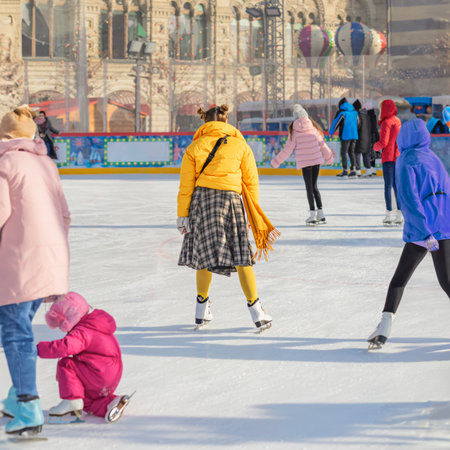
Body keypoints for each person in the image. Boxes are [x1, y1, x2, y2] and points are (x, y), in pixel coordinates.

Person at [0, 105, 70, 436]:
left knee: (15, 334)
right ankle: (16, 397)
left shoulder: (6, 164)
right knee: (20, 328)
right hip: (50, 259)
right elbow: (65, 215)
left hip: (18, 261)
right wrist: (51, 249)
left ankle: (28, 406)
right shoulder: (47, 165)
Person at [177, 104, 278, 331]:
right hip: (231, 202)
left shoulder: (194, 147)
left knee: (203, 253)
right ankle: (256, 310)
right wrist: (254, 215)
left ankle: (201, 309)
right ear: (226, 121)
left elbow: (186, 186)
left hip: (201, 202)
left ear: (205, 122)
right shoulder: (241, 145)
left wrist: (182, 214)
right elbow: (251, 183)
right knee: (241, 255)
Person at [368, 119, 450, 348]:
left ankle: (383, 329)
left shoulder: (405, 160)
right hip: (443, 228)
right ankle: (382, 330)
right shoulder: (434, 158)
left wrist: (424, 233)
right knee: (447, 282)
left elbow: (409, 200)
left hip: (424, 232)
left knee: (399, 281)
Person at [37, 292, 131, 423]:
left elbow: (64, 347)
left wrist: (36, 349)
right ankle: (111, 404)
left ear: (69, 318)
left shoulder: (82, 331)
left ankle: (71, 400)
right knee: (86, 401)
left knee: (66, 364)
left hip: (99, 373)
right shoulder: (93, 324)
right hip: (109, 373)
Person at [270, 104, 335, 226]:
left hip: (305, 163)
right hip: (316, 161)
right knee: (314, 187)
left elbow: (287, 150)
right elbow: (323, 145)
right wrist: (329, 158)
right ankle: (321, 214)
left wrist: (276, 162)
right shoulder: (313, 129)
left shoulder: (294, 131)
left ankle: (312, 215)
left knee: (309, 188)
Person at [373, 99, 402, 226]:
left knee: (388, 186)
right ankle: (399, 215)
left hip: (388, 158)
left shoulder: (387, 122)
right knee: (396, 186)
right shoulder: (397, 120)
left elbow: (383, 142)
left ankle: (389, 214)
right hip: (398, 157)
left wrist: (374, 147)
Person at [329, 97, 359, 179]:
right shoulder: (354, 112)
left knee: (344, 152)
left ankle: (345, 171)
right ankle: (353, 170)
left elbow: (336, 123)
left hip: (345, 135)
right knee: (351, 152)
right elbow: (358, 124)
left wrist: (331, 133)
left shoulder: (341, 113)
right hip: (354, 135)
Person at [356, 100, 379, 177]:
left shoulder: (366, 116)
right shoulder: (374, 115)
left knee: (368, 153)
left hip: (369, 136)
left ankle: (370, 169)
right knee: (371, 153)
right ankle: (372, 169)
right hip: (373, 136)